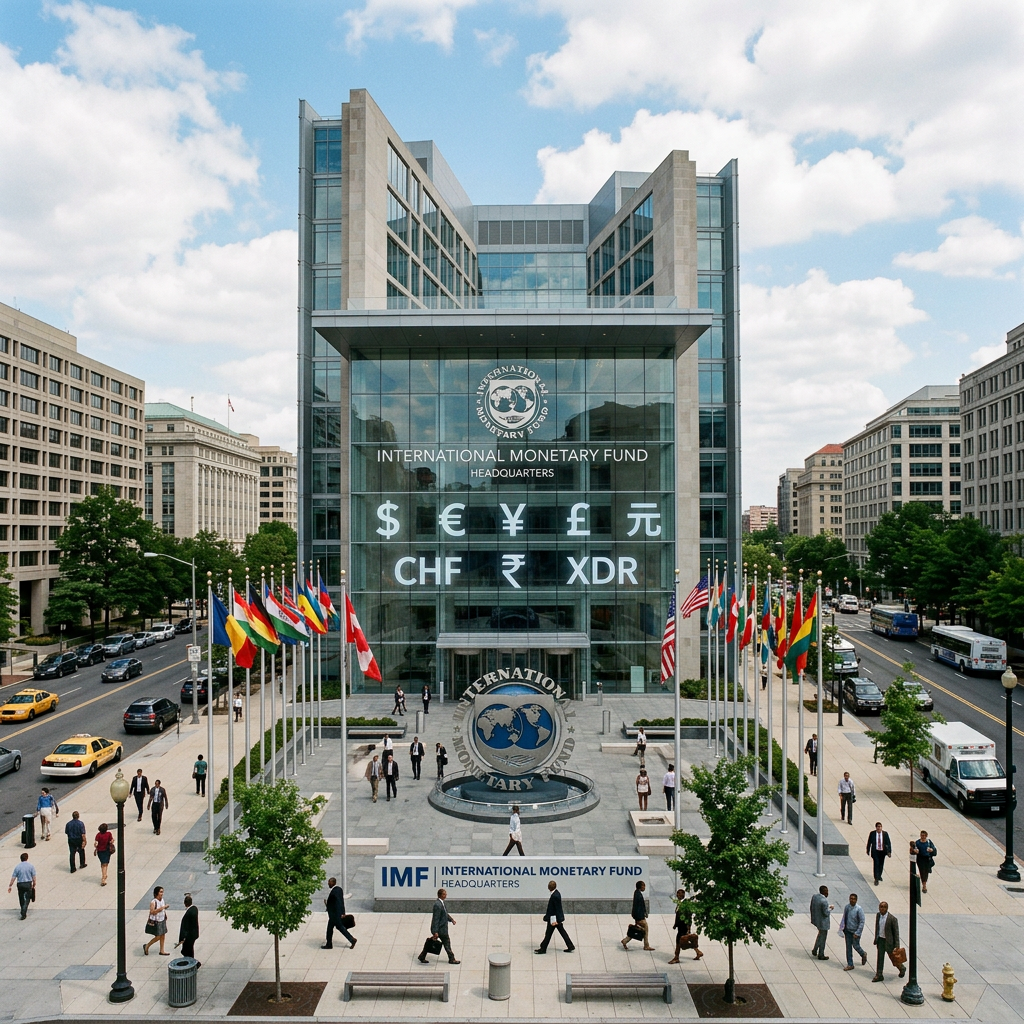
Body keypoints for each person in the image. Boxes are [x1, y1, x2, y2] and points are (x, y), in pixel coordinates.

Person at [418, 887, 459, 964]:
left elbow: (445, 914)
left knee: (432, 942)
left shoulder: (441, 903)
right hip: (441, 929)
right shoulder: (438, 905)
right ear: (440, 895)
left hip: (441, 928)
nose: (446, 895)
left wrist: (451, 920)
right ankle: (451, 958)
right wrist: (435, 931)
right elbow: (436, 919)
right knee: (447, 943)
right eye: (444, 894)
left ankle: (422, 956)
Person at [535, 879, 575, 953]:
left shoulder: (555, 896)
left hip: (554, 919)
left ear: (549, 887)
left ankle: (543, 948)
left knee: (548, 934)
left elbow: (556, 909)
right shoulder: (556, 893)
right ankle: (570, 945)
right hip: (555, 918)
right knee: (562, 932)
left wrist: (557, 920)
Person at [872, 901, 904, 982]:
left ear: (887, 908)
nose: (882, 908)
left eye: (884, 907)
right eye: (881, 907)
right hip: (881, 940)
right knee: (880, 958)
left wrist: (897, 946)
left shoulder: (892, 919)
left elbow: (896, 934)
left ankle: (901, 968)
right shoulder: (878, 915)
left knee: (893, 958)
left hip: (889, 942)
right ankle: (879, 974)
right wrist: (876, 938)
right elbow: (877, 927)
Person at [668, 889, 703, 962]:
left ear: (683, 895)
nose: (677, 895)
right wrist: (675, 925)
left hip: (683, 926)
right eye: (677, 894)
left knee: (678, 941)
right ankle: (698, 952)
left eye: (679, 894)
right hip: (680, 926)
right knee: (686, 940)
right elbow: (678, 915)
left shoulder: (685, 904)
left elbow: (688, 916)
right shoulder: (680, 903)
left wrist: (688, 928)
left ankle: (676, 957)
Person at [323, 876, 356, 949]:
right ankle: (329, 943)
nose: (328, 884)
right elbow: (341, 902)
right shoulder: (339, 889)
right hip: (335, 914)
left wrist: (341, 914)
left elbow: (338, 903)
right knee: (334, 928)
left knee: (338, 928)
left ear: (333, 883)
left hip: (335, 915)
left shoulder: (334, 892)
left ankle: (352, 940)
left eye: (329, 883)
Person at [621, 880, 654, 950]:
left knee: (638, 930)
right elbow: (639, 907)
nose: (644, 887)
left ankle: (625, 940)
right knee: (644, 930)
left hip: (638, 917)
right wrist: (640, 917)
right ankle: (646, 945)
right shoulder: (638, 895)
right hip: (640, 917)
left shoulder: (637, 893)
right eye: (644, 886)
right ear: (641, 886)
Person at [838, 893, 867, 970]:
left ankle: (863, 954)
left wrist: (857, 932)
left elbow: (862, 921)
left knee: (856, 946)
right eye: (851, 898)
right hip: (848, 931)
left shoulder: (859, 909)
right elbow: (844, 917)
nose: (852, 900)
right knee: (848, 948)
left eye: (854, 899)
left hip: (855, 932)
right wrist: (843, 928)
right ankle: (850, 964)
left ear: (856, 900)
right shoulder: (847, 907)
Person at [143, 885, 170, 956]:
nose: (162, 893)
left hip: (162, 920)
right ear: (157, 893)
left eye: (162, 892)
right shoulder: (153, 902)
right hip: (156, 921)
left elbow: (162, 910)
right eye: (161, 892)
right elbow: (152, 912)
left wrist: (165, 914)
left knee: (163, 935)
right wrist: (163, 907)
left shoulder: (162, 900)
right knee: (158, 936)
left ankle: (162, 950)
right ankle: (147, 946)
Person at [8, 852, 35, 919]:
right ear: (27, 858)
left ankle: (22, 908)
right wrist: (34, 884)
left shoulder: (17, 867)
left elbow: (13, 877)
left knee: (21, 897)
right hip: (28, 883)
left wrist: (10, 885)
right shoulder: (30, 866)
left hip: (20, 884)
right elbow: (34, 876)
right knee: (28, 898)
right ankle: (24, 910)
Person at [809, 884, 832, 960]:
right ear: (824, 892)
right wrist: (831, 909)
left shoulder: (815, 896)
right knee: (823, 938)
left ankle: (815, 950)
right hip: (823, 923)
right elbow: (826, 913)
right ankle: (821, 954)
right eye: (827, 891)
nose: (827, 893)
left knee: (820, 935)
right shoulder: (824, 901)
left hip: (817, 920)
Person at [177, 894, 200, 964]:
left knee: (187, 950)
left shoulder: (188, 914)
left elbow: (185, 927)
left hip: (189, 936)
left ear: (185, 903)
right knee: (190, 949)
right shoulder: (194, 909)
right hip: (194, 933)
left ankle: (194, 963)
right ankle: (192, 963)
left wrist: (182, 938)